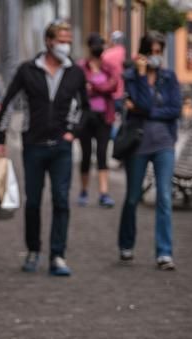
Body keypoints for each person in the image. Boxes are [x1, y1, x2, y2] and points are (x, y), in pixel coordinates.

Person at [0, 20, 88, 276]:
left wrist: (72, 133)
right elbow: (9, 103)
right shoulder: (28, 70)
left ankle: (58, 255)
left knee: (61, 200)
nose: (65, 45)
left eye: (68, 41)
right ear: (48, 42)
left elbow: (84, 107)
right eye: (61, 40)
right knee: (33, 201)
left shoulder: (75, 73)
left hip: (61, 147)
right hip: (33, 146)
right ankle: (33, 250)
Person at [118, 31, 181, 270]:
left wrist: (146, 112)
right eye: (151, 52)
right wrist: (143, 77)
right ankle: (126, 245)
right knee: (133, 197)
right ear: (142, 54)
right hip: (138, 143)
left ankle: (164, 252)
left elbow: (174, 109)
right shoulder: (132, 77)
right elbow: (141, 103)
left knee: (164, 197)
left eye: (159, 52)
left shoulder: (169, 77)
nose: (156, 57)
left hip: (164, 143)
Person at [77, 33, 117, 208]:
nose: (98, 48)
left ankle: (103, 192)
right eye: (96, 45)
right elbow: (80, 89)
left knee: (102, 153)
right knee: (85, 154)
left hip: (104, 116)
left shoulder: (109, 66)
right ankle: (84, 190)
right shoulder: (81, 66)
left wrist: (93, 86)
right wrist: (100, 87)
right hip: (85, 117)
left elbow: (113, 85)